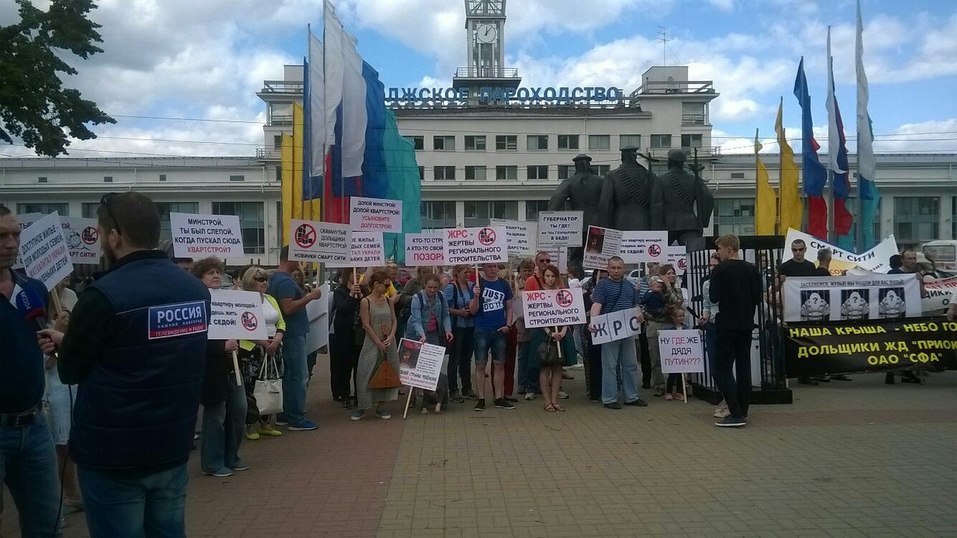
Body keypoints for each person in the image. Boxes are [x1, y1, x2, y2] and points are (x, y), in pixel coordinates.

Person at [38, 192, 210, 537]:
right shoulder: (195, 290)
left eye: (102, 233)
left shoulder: (102, 295)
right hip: (172, 443)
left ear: (114, 235)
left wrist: (64, 344)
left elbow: (71, 370)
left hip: (114, 456)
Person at [1, 205, 63, 537]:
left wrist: (54, 344)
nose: (11, 243)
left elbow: (42, 352)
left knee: (47, 525)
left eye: (15, 234)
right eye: (1, 236)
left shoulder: (33, 288)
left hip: (35, 424)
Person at [192, 257, 247, 477]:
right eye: (210, 273)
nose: (216, 276)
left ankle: (231, 456)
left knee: (239, 409)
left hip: (232, 365)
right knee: (216, 415)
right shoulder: (196, 302)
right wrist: (221, 346)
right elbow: (196, 337)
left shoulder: (227, 298)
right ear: (200, 278)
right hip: (212, 367)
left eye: (218, 272)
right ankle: (212, 462)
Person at [709, 234, 762, 428]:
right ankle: (743, 409)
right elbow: (757, 298)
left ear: (729, 249)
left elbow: (714, 297)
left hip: (726, 325)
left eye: (720, 249)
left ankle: (735, 411)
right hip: (746, 324)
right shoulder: (752, 269)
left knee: (721, 368)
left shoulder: (720, 270)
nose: (718, 253)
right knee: (743, 366)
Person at [267, 246, 321, 431]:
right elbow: (288, 308)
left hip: (287, 333)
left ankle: (285, 414)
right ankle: (296, 417)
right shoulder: (285, 282)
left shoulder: (276, 278)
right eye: (297, 257)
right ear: (289, 258)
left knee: (288, 375)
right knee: (298, 376)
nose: (299, 261)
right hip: (293, 334)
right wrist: (310, 297)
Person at [588, 256, 647, 409]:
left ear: (623, 269)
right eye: (612, 267)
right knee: (610, 365)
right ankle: (609, 398)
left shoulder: (629, 286)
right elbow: (597, 305)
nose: (615, 270)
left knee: (630, 364)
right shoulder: (602, 286)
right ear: (608, 269)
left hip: (627, 331)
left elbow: (635, 305)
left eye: (618, 267)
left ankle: (631, 397)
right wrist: (593, 322)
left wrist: (639, 314)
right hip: (609, 332)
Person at [238, 266, 286, 438]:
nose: (264, 282)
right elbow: (239, 327)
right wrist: (262, 342)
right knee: (251, 387)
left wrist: (278, 338)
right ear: (250, 281)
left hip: (273, 348)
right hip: (251, 349)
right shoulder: (242, 301)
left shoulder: (271, 299)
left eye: (265, 279)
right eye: (260, 279)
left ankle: (266, 422)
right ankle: (251, 424)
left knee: (270, 383)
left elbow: (281, 322)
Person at [353, 271, 400, 421]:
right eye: (385, 285)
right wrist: (378, 342)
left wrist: (392, 336)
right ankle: (363, 405)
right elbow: (366, 325)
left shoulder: (388, 301)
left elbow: (394, 320)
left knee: (386, 371)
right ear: (376, 285)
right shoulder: (365, 302)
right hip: (372, 342)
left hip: (388, 342)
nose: (388, 287)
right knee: (366, 371)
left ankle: (382, 405)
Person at [469, 263, 515, 411]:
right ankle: (481, 398)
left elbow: (509, 307)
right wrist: (476, 297)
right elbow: (473, 310)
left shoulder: (504, 284)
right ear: (483, 268)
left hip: (499, 329)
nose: (493, 269)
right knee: (480, 364)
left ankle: (499, 397)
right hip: (482, 329)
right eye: (489, 266)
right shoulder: (478, 284)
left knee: (499, 364)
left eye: (495, 266)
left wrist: (508, 325)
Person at [532, 264, 577, 412]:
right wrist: (549, 332)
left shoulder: (563, 293)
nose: (550, 279)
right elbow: (538, 316)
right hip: (544, 334)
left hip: (561, 333)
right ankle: (546, 401)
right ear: (543, 277)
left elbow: (568, 314)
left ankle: (554, 399)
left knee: (558, 367)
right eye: (547, 276)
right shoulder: (539, 294)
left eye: (553, 276)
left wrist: (563, 331)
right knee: (545, 366)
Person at [405, 272, 453, 410]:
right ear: (424, 285)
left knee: (432, 365)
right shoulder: (417, 298)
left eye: (435, 287)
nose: (432, 290)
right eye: (430, 287)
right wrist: (421, 335)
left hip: (432, 333)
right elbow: (416, 319)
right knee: (412, 365)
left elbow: (445, 316)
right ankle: (412, 395)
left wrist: (447, 330)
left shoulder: (441, 297)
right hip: (414, 333)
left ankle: (432, 396)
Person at [651, 148, 715, 245]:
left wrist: (655, 228)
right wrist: (703, 221)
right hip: (690, 225)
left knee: (660, 257)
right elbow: (708, 198)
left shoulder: (660, 180)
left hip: (667, 226)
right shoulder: (694, 179)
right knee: (694, 257)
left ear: (670, 161)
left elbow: (657, 205)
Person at [779, 238, 821, 385]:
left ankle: (806, 374)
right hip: (790, 311)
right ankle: (788, 373)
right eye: (795, 250)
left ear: (805, 250)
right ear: (792, 251)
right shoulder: (785, 267)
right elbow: (777, 288)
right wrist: (781, 281)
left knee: (808, 343)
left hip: (808, 310)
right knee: (790, 343)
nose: (797, 252)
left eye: (800, 249)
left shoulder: (810, 266)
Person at [331, 270, 364, 409]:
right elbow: (342, 309)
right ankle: (344, 394)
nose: (358, 275)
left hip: (359, 333)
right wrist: (351, 295)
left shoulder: (363, 289)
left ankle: (359, 395)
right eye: (355, 273)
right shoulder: (340, 291)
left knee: (359, 366)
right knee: (344, 366)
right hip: (344, 334)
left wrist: (361, 297)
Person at [444, 264, 476, 402]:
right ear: (457, 274)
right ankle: (453, 389)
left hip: (470, 326)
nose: (468, 274)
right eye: (465, 272)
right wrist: (460, 312)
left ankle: (467, 387)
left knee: (467, 359)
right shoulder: (451, 288)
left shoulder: (472, 286)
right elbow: (444, 308)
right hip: (457, 326)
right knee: (455, 359)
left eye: (469, 272)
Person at [582, 268, 608, 402]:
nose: (602, 280)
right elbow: (581, 315)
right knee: (594, 362)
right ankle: (594, 392)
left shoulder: (609, 293)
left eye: (605, 278)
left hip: (608, 332)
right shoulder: (586, 295)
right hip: (591, 333)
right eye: (600, 278)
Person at [513, 259, 537, 399]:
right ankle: (522, 383)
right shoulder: (515, 284)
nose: (527, 272)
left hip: (535, 322)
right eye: (525, 270)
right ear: (520, 270)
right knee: (523, 355)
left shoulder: (536, 282)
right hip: (521, 323)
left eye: (530, 270)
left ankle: (533, 384)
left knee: (534, 355)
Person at [661, 305, 689, 401]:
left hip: (682, 356)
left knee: (681, 375)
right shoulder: (668, 329)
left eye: (682, 316)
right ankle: (668, 392)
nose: (682, 318)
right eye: (679, 316)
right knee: (672, 375)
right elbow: (664, 338)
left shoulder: (686, 328)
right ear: (673, 317)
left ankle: (679, 392)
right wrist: (660, 335)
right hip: (673, 356)